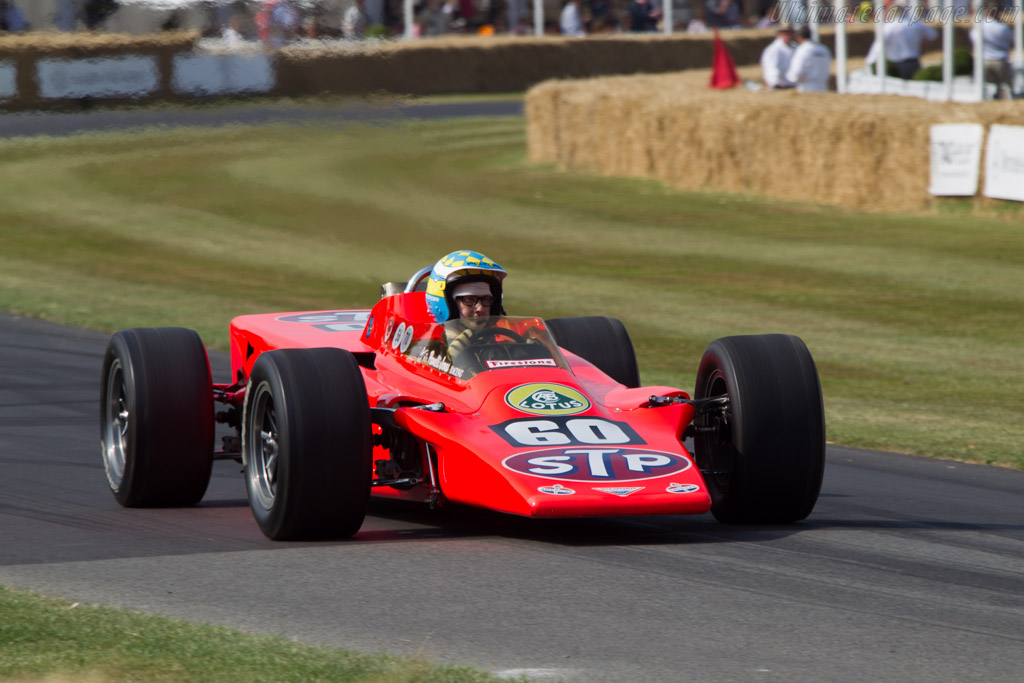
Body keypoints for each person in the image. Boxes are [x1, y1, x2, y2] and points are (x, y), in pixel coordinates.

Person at [424, 250, 508, 361]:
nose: (480, 308)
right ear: (448, 303)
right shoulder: (427, 351)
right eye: (470, 299)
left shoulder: (504, 341)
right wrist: (449, 359)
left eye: (486, 299)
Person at [865, 9, 938, 80]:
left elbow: (879, 46)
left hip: (897, 64)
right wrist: (922, 48)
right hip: (914, 62)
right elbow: (932, 34)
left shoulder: (889, 26)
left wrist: (870, 61)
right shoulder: (914, 23)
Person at [970, 6, 1015, 100]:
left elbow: (973, 38)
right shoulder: (1002, 27)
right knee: (1006, 85)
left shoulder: (979, 27)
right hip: (1000, 60)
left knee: (985, 85)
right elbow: (1011, 41)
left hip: (984, 60)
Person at [785, 24, 831, 92]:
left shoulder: (802, 50)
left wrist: (789, 78)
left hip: (806, 88)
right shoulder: (824, 49)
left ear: (799, 37)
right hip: (823, 87)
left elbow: (796, 72)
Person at [761, 24, 795, 89]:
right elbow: (771, 68)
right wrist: (775, 84)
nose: (788, 36)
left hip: (794, 84)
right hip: (781, 85)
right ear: (780, 34)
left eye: (790, 33)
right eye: (785, 33)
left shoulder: (796, 47)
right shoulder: (773, 49)